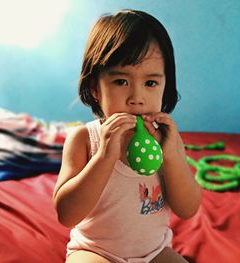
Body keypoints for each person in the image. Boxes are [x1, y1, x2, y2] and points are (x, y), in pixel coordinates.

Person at [53, 9, 201, 263]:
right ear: (95, 89)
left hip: (154, 253)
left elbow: (187, 209)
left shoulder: (166, 141)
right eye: (121, 81)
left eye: (151, 83)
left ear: (166, 87)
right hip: (95, 251)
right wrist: (104, 157)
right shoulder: (84, 140)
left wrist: (173, 158)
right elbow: (66, 214)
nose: (137, 98)